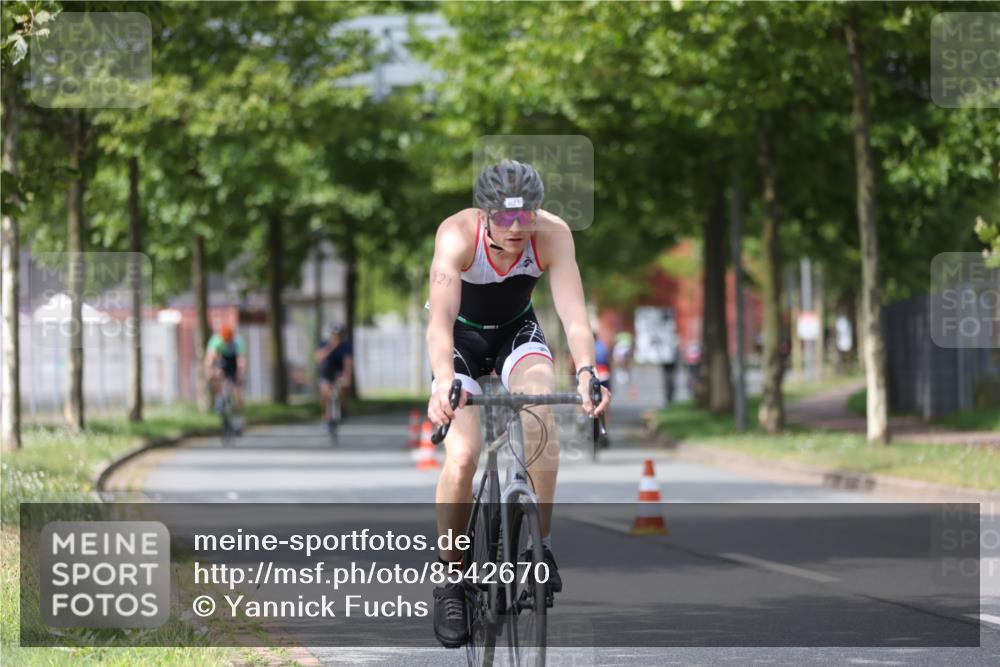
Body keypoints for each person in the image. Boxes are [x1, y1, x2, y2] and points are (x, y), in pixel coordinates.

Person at [425, 159, 611, 648]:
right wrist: (444, 380)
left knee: (540, 416)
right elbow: (440, 321)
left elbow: (573, 313)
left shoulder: (552, 235)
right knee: (463, 454)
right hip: (461, 343)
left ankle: (538, 548)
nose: (515, 229)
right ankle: (451, 577)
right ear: (483, 215)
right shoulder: (455, 236)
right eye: (504, 219)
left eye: (525, 217)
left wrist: (589, 370)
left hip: (516, 335)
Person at [204, 323, 246, 434]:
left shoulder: (238, 342)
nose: (227, 341)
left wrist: (240, 373)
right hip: (222, 360)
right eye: (225, 339)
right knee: (216, 374)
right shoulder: (216, 341)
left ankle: (238, 421)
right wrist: (209, 372)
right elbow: (209, 359)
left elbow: (241, 360)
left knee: (238, 393)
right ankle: (218, 398)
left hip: (233, 363)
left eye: (229, 339)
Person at [314, 324, 353, 431]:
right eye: (335, 335)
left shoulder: (346, 346)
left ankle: (342, 408)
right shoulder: (324, 343)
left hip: (339, 371)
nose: (338, 337)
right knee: (325, 393)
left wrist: (347, 376)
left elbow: (348, 362)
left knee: (344, 387)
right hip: (327, 371)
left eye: (340, 335)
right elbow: (319, 358)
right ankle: (326, 418)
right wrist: (331, 346)